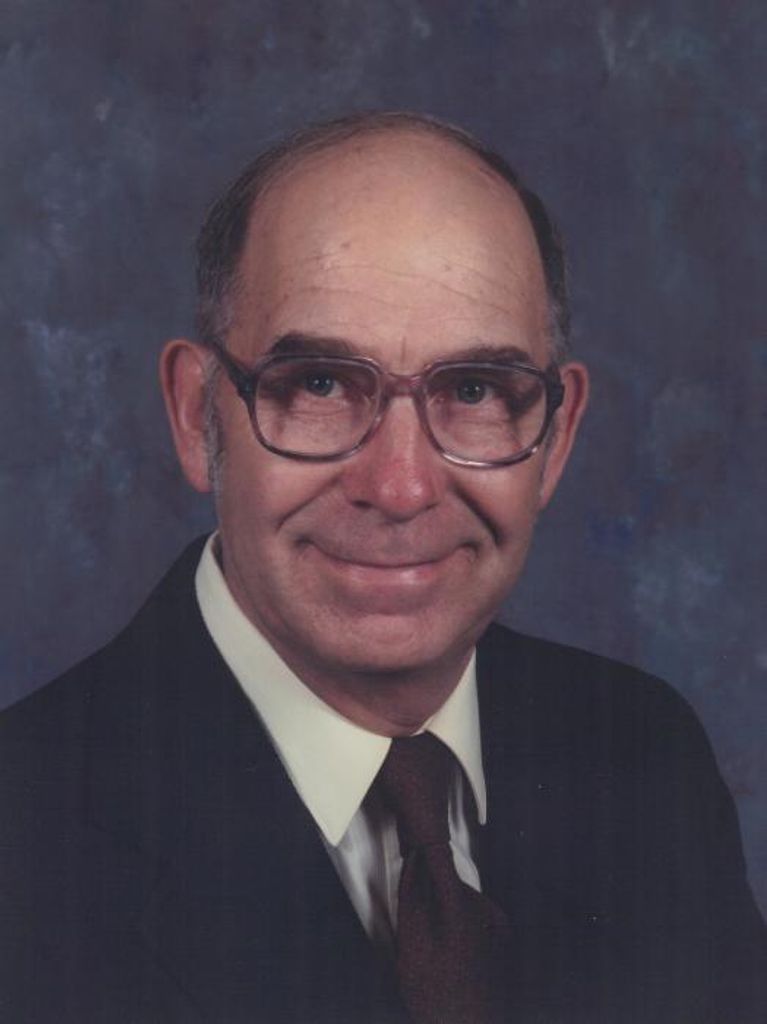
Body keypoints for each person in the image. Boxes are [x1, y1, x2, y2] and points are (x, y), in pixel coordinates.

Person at [2, 112, 765, 1024]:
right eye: (320, 383)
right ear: (196, 416)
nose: (400, 488)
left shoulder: (643, 755)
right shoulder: (24, 834)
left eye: (474, 390)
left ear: (554, 439)